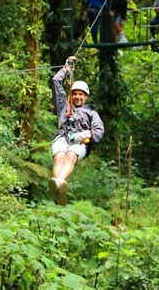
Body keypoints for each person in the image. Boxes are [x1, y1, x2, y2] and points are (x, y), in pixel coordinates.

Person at [49, 57, 104, 206]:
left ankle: (57, 184)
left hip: (79, 141)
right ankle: (60, 187)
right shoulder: (63, 105)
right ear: (71, 95)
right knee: (59, 157)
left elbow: (99, 130)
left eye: (81, 94)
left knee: (70, 156)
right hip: (62, 136)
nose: (78, 97)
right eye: (75, 94)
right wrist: (65, 70)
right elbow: (55, 82)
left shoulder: (91, 112)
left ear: (86, 96)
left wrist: (87, 135)